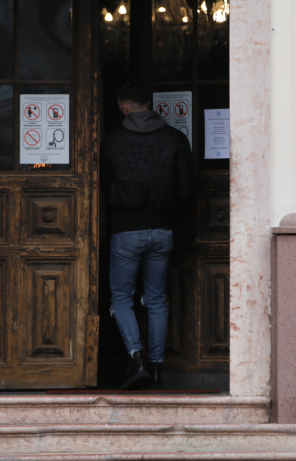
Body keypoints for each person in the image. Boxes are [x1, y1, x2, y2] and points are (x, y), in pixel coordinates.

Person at [101, 80, 194, 389]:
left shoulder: (112, 140)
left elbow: (103, 186)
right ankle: (155, 368)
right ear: (150, 105)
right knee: (156, 300)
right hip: (162, 229)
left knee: (121, 298)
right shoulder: (174, 139)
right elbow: (186, 189)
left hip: (126, 230)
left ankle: (136, 356)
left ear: (124, 107)